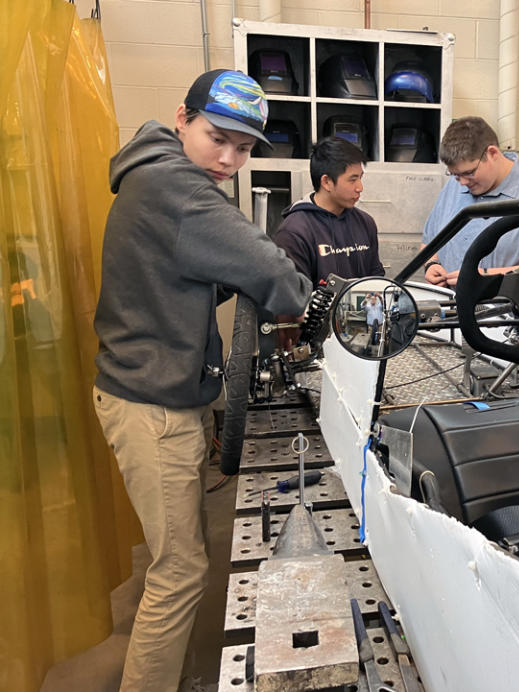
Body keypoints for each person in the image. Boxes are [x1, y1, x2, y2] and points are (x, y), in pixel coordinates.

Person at [92, 69, 312, 692]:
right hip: (153, 409)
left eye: (244, 148)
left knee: (174, 561)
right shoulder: (179, 190)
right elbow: (277, 275)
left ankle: (172, 677)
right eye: (217, 137)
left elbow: (190, 270)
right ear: (182, 118)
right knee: (181, 570)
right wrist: (300, 300)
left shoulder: (153, 172)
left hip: (147, 392)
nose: (228, 158)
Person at [421, 116, 519, 289]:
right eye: (455, 175)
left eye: (469, 173)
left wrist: (485, 277)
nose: (462, 182)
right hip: (450, 308)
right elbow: (429, 242)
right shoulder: (454, 186)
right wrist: (431, 264)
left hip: (504, 312)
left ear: (492, 153)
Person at [272, 136, 384, 286]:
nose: (360, 187)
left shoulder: (365, 222)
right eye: (352, 179)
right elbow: (293, 297)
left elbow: (376, 278)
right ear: (326, 182)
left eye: (360, 178)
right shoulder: (295, 232)